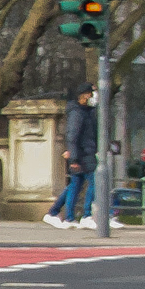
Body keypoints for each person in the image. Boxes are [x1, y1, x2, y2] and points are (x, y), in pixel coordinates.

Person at [45, 86, 98, 227]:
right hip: (83, 154)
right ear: (84, 95)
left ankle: (61, 214)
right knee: (94, 182)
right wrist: (74, 157)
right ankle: (85, 215)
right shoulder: (77, 113)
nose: (93, 96)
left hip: (84, 152)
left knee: (75, 185)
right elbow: (73, 135)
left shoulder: (86, 112)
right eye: (91, 94)